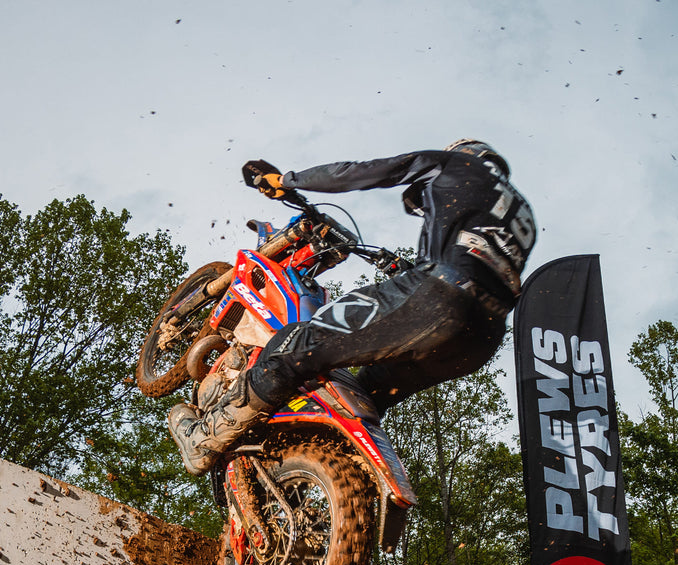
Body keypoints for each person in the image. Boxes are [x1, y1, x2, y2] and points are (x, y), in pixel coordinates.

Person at [168, 140, 536, 476]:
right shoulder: (522, 214)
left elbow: (373, 170)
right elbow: (480, 263)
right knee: (365, 394)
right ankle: (322, 477)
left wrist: (289, 180)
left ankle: (204, 440)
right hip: (480, 338)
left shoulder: (457, 163)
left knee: (294, 345)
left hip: (440, 297)